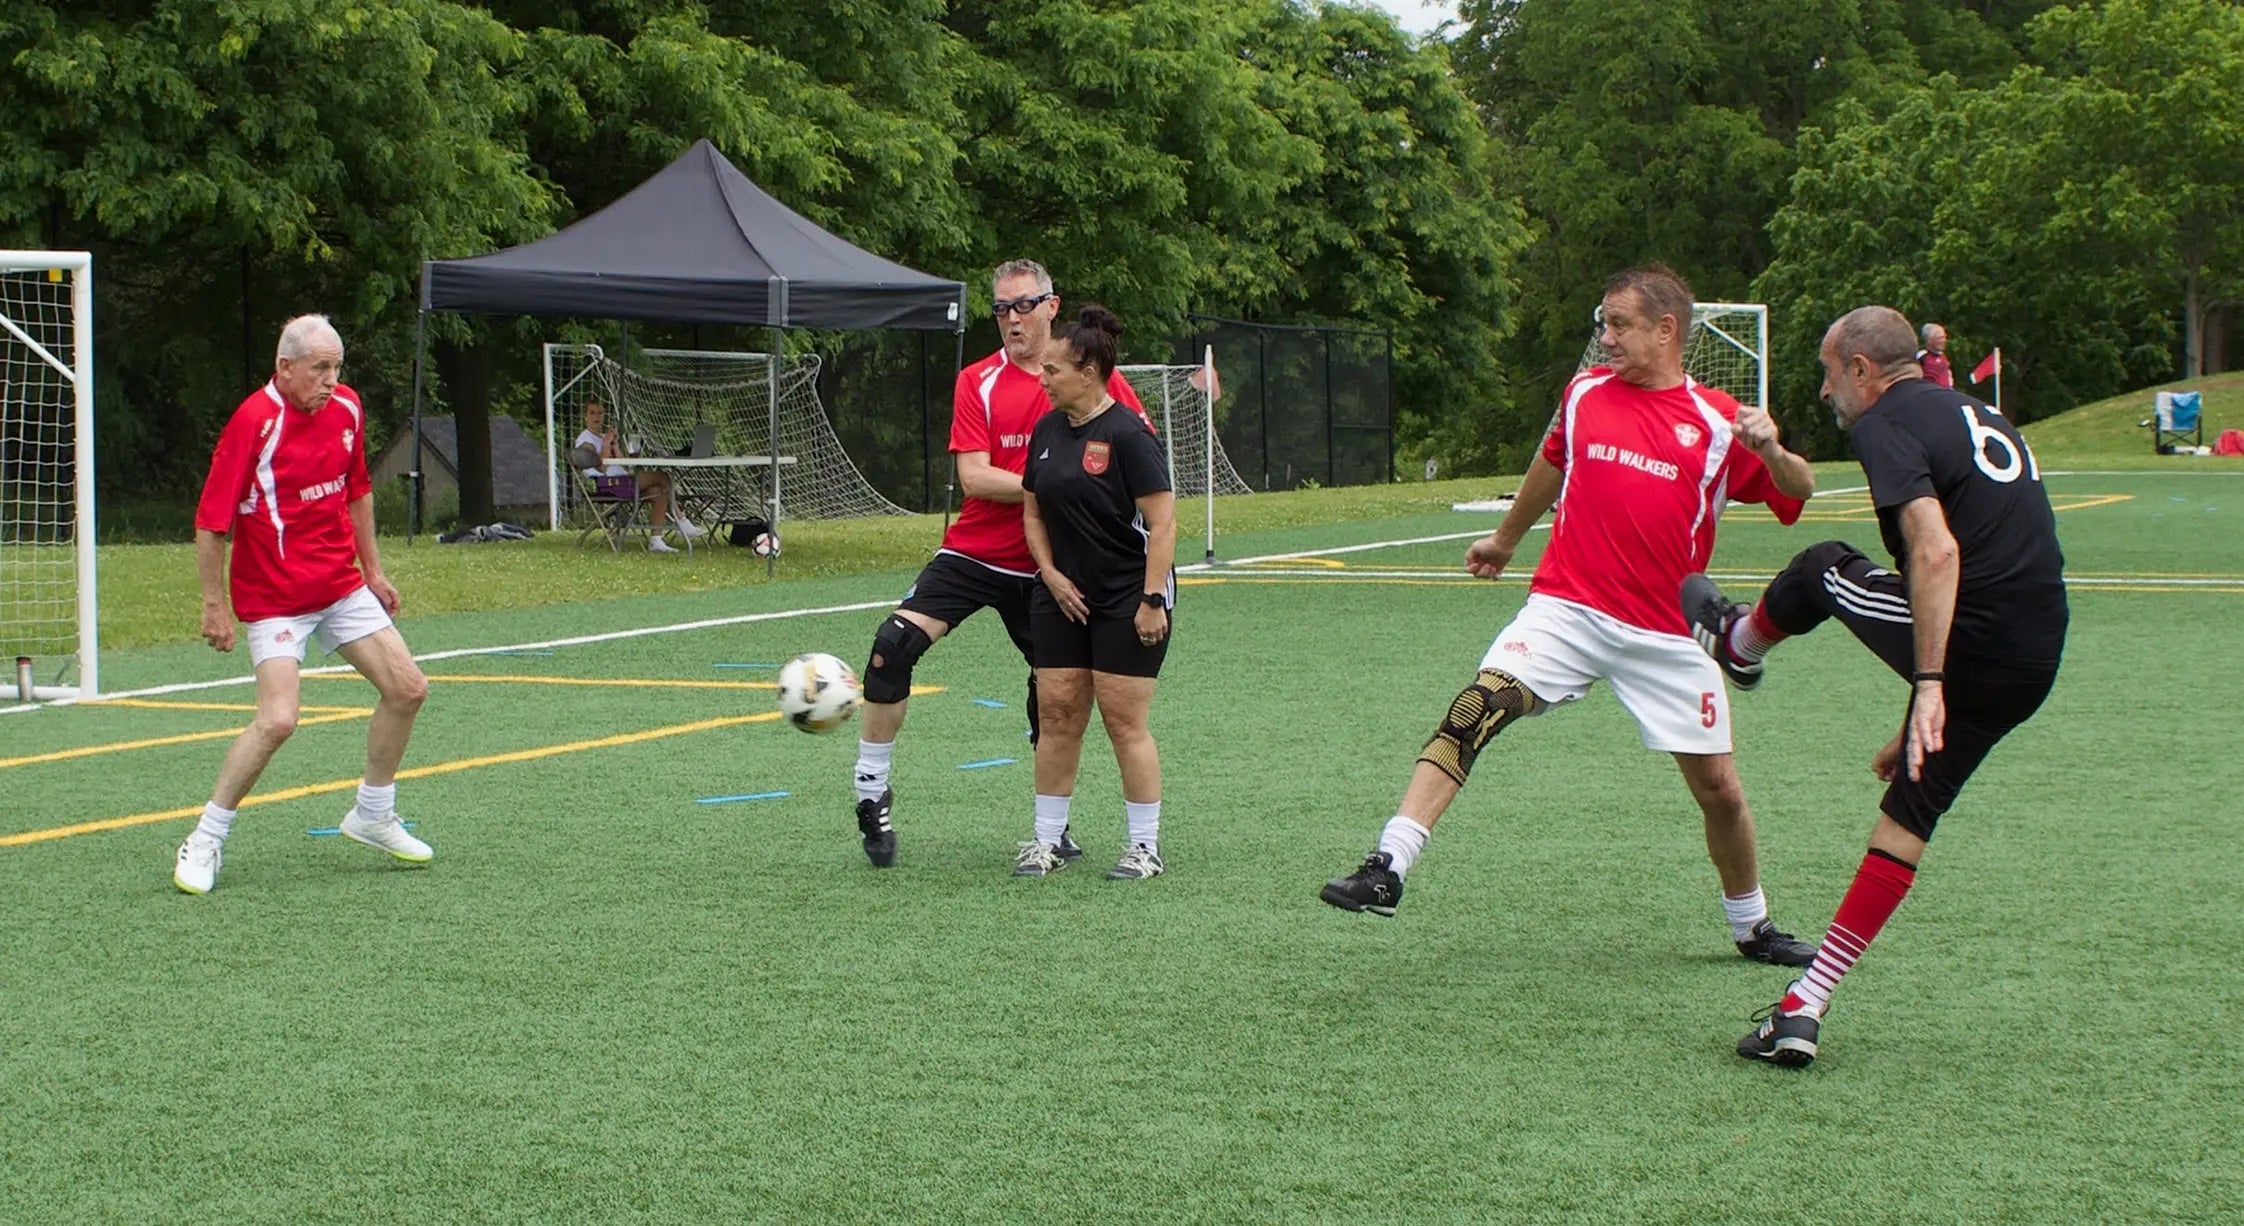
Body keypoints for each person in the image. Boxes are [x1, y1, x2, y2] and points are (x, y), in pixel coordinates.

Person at [1318, 264, 1824, 968]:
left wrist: (1771, 448)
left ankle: (1752, 925)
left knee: (1721, 792)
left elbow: (1799, 490)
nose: (1605, 338)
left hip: (1666, 635)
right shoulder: (1585, 394)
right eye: (1603, 323)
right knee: (1474, 709)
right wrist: (1503, 540)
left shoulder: (1715, 423)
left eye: (1619, 325)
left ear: (1666, 330)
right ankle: (1388, 866)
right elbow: (1550, 466)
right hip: (1568, 609)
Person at [1685, 305, 2065, 1068]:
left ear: (1861, 370)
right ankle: (1803, 1007)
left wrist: (1930, 683)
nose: (1827, 393)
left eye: (1829, 375)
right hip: (2034, 657)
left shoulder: (1885, 422)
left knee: (1823, 564)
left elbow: (1936, 553)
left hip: (1970, 640)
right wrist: (1934, 704)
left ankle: (1738, 642)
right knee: (1906, 820)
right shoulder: (1975, 412)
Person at [847, 260, 1146, 867]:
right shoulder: (977, 380)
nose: (1011, 318)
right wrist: (1052, 482)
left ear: (1051, 306)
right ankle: (870, 792)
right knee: (890, 647)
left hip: (1052, 565)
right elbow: (974, 476)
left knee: (1055, 695)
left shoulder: (1090, 377)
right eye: (1001, 308)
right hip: (976, 551)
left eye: (1023, 305)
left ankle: (1053, 828)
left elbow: (1135, 456)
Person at [174, 314, 434, 894]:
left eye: (337, 367)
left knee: (408, 688)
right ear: (284, 368)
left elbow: (357, 489)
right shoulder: (253, 423)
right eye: (320, 368)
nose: (331, 379)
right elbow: (211, 524)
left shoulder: (346, 407)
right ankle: (206, 838)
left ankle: (372, 813)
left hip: (340, 586)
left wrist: (374, 571)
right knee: (278, 720)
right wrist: (213, 606)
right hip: (275, 599)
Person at [1015, 307, 1176, 879]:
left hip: (1127, 595)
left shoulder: (1129, 434)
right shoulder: (1047, 430)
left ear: (1088, 371)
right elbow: (1032, 509)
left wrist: (1152, 599)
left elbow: (1162, 524)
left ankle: (1144, 847)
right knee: (1056, 713)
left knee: (1123, 721)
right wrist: (1051, 574)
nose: (1042, 376)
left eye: (1052, 368)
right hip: (1060, 594)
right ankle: (1046, 840)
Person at [571, 400, 702, 553]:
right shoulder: (585, 441)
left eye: (600, 413)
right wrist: (606, 445)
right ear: (585, 417)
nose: (597, 417)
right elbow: (601, 467)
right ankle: (681, 521)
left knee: (659, 490)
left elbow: (622, 464)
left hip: (622, 479)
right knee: (662, 476)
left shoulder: (603, 437)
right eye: (592, 413)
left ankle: (656, 540)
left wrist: (614, 446)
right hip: (608, 484)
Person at [1916, 322, 1953, 389]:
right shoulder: (1922, 356)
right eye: (1940, 338)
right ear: (1930, 340)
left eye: (1945, 337)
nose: (1944, 340)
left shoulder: (1943, 356)